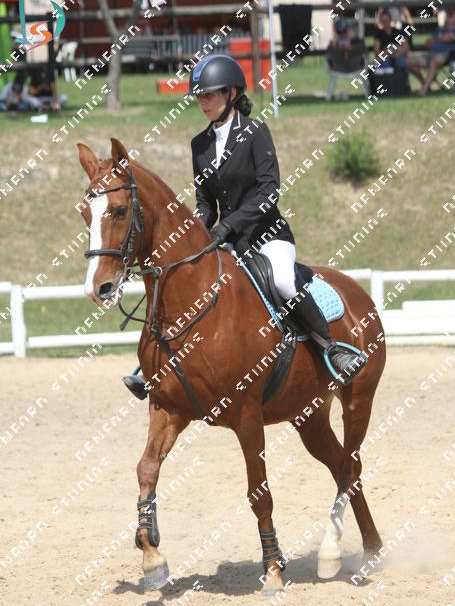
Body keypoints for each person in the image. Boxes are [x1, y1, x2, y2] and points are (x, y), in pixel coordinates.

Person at [123, 55, 367, 400]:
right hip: (228, 241)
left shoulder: (255, 132)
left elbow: (269, 193)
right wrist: (191, 235)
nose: (203, 103)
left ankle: (330, 347)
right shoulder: (199, 145)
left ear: (232, 93)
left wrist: (229, 225)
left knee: (283, 281)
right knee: (182, 280)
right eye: (199, 97)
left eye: (209, 95)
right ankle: (155, 366)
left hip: (268, 237)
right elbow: (206, 205)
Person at [407, 8, 455, 96]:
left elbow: (449, 38)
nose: (448, 18)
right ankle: (425, 84)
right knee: (409, 61)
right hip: (431, 53)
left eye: (451, 16)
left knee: (434, 62)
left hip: (447, 55)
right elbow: (428, 43)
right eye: (448, 15)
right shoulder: (439, 30)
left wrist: (436, 39)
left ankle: (423, 91)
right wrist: (440, 39)